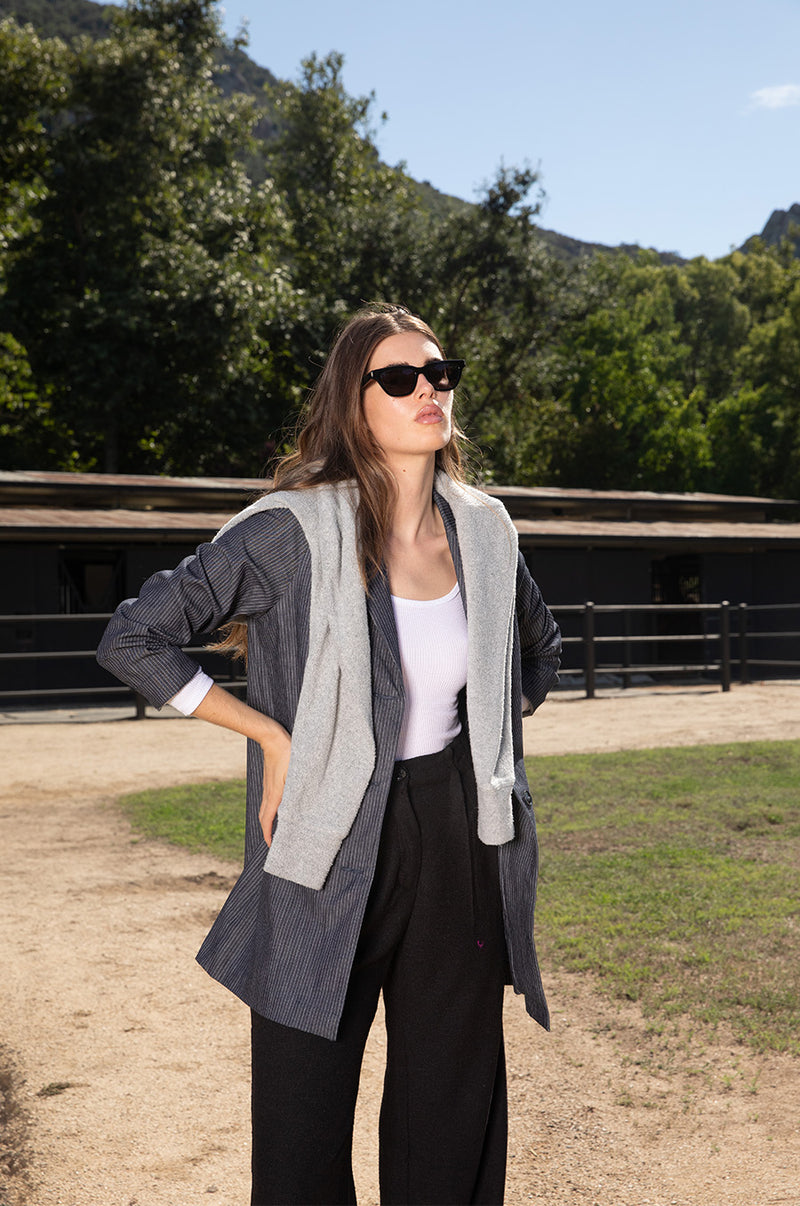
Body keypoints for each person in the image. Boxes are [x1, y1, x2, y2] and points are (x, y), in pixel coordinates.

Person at [97, 302, 561, 1206]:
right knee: (304, 1124)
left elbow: (536, 653)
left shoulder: (487, 529)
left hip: (460, 833)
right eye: (399, 378)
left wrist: (488, 749)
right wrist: (270, 735)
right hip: (324, 837)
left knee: (451, 1109)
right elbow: (135, 636)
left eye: (439, 373)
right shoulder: (290, 531)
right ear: (354, 402)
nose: (427, 389)